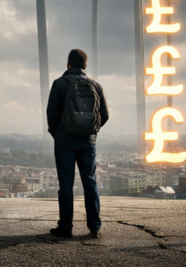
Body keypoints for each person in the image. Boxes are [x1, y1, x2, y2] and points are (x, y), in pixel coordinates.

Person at [46, 48, 109, 239]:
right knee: (90, 182)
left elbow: (51, 114)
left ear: (68, 64)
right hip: (88, 142)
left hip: (65, 140)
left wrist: (57, 133)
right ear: (85, 66)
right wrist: (91, 132)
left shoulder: (59, 84)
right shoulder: (96, 86)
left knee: (66, 183)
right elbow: (104, 115)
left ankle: (65, 226)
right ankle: (94, 226)